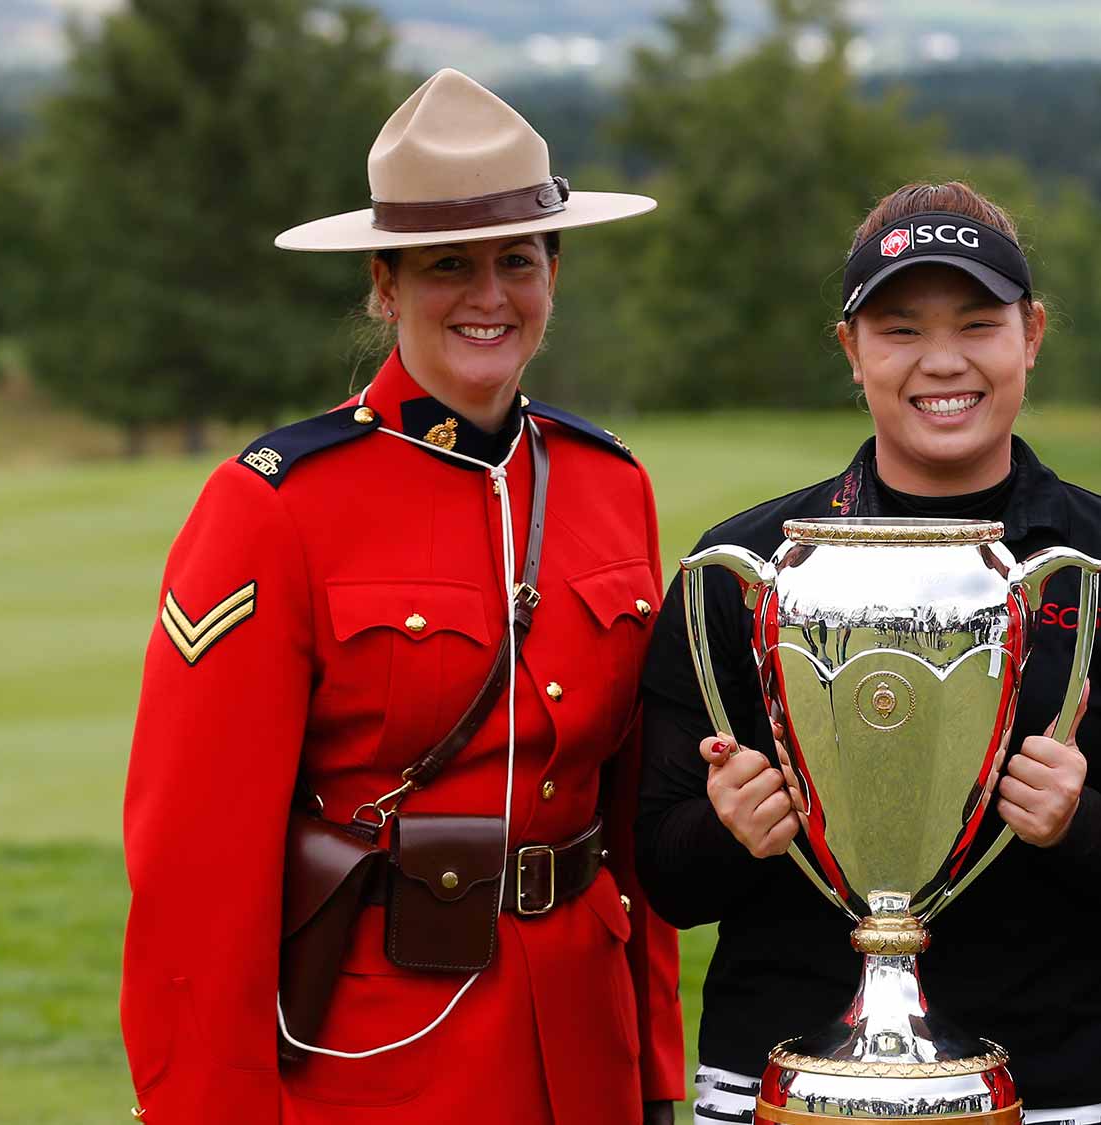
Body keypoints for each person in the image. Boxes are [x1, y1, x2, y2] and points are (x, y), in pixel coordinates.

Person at [121, 69, 683, 1123]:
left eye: (517, 260)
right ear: (383, 284)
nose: (488, 296)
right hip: (380, 1055)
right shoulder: (274, 505)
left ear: (552, 273)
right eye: (444, 267)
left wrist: (653, 1065)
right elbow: (196, 871)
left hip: (583, 1044)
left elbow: (630, 828)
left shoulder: (612, 487)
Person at [634, 182, 1101, 1123]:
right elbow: (666, 878)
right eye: (900, 329)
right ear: (851, 350)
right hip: (786, 1083)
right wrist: (731, 829)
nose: (943, 361)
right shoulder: (746, 569)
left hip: (1059, 1086)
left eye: (977, 323)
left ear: (1031, 334)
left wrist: (1080, 820)